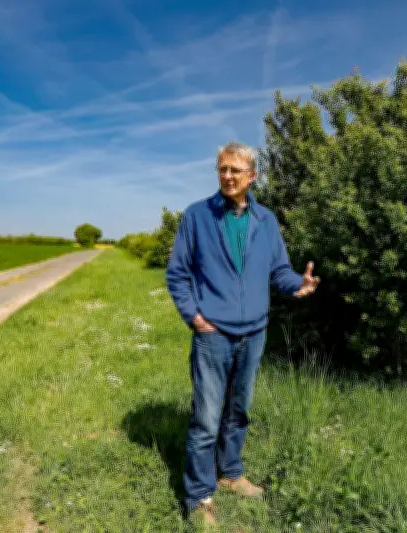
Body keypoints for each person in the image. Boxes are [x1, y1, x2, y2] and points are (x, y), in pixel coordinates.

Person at [165, 141, 320, 527]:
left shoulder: (266, 221)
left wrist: (296, 284)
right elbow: (178, 274)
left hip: (254, 333)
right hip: (213, 334)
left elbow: (278, 270)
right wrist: (195, 317)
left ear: (253, 176)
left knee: (239, 411)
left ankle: (230, 475)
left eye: (236, 170)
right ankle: (200, 497)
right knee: (206, 418)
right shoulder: (197, 216)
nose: (228, 176)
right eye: (223, 169)